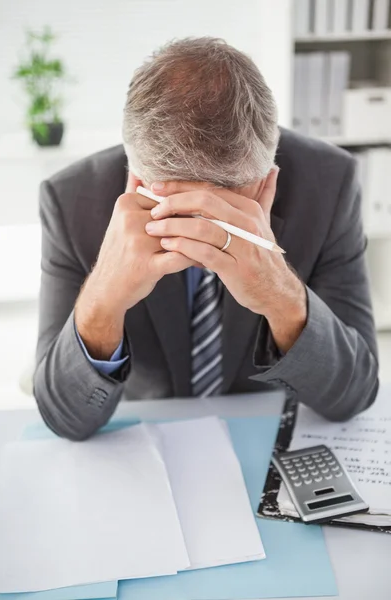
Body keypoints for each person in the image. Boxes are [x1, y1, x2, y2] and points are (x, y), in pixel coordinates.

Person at [34, 37, 379, 440]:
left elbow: (354, 397)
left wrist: (282, 297)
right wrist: (102, 301)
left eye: (228, 206)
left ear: (268, 173)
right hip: (144, 448)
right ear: (138, 177)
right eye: (183, 205)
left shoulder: (329, 182)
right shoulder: (72, 201)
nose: (203, 231)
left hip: (264, 437)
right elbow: (64, 419)